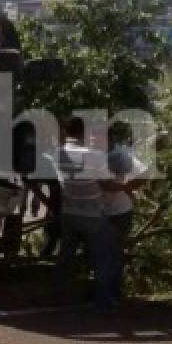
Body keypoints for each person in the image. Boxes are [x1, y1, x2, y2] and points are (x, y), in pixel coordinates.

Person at [52, 117, 118, 310]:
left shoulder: (57, 153)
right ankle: (104, 301)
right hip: (93, 214)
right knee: (105, 256)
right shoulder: (95, 155)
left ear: (66, 132)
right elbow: (106, 183)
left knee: (66, 256)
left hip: (69, 212)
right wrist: (126, 186)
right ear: (84, 133)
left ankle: (57, 295)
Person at [102, 122, 148, 298]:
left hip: (120, 211)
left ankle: (113, 291)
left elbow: (143, 173)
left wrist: (125, 187)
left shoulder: (120, 155)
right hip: (102, 211)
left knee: (114, 250)